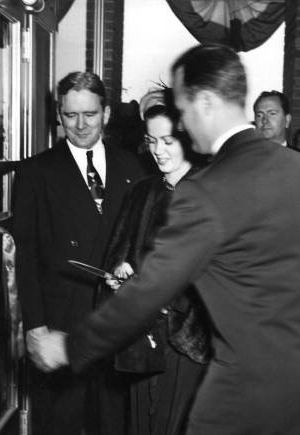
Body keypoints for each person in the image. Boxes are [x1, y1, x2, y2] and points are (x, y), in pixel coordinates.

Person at [43, 43, 300, 435]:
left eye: (184, 111)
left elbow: (146, 293)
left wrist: (70, 347)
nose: (184, 125)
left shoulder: (207, 190)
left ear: (205, 102)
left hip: (245, 391)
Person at [11, 71, 144, 435]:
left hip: (116, 326)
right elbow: (26, 255)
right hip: (60, 326)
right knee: (60, 423)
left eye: (90, 114)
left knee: (115, 423)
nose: (81, 125)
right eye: (71, 115)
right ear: (59, 114)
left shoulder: (134, 168)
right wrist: (35, 328)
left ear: (106, 113)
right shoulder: (35, 172)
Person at [100, 87, 209, 435]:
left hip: (189, 337)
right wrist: (120, 272)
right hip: (142, 334)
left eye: (167, 141)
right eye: (151, 140)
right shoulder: (142, 192)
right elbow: (119, 252)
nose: (158, 151)